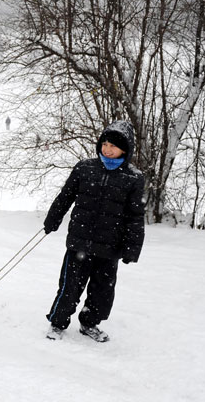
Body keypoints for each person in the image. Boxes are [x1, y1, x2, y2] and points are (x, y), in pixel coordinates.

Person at [43, 120, 145, 343]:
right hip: (80, 242)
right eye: (105, 144)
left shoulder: (133, 178)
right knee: (69, 287)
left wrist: (131, 248)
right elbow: (65, 197)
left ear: (125, 150)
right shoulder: (85, 168)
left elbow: (135, 216)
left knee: (102, 292)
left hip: (110, 248)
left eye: (114, 146)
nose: (108, 149)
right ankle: (58, 323)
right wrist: (53, 218)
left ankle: (89, 323)